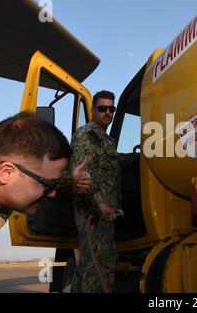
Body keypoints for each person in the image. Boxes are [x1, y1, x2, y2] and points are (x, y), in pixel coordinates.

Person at [0, 112, 91, 258]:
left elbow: (44, 174)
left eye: (56, 184)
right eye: (49, 185)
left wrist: (71, 179)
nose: (53, 193)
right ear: (7, 173)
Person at [70, 90, 121, 293]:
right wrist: (100, 202)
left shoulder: (105, 139)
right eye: (102, 108)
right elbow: (83, 175)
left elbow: (111, 163)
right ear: (92, 111)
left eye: (111, 108)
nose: (107, 112)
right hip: (94, 212)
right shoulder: (86, 135)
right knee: (100, 268)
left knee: (89, 265)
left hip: (104, 212)